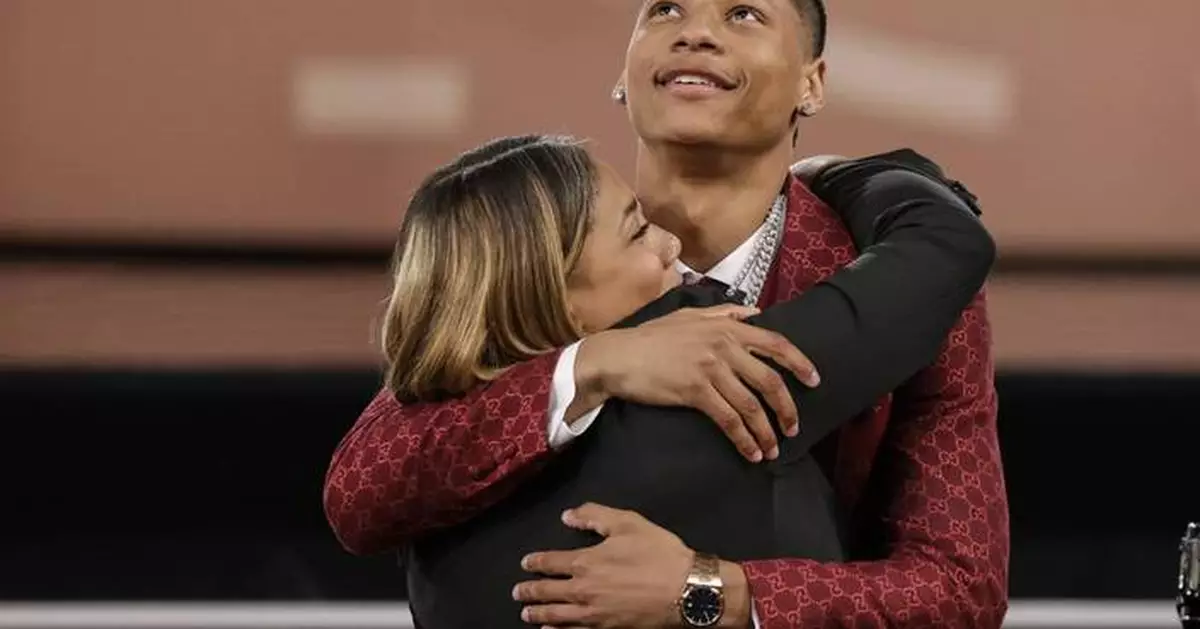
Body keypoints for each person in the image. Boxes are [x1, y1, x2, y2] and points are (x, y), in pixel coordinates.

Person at [326, 0, 1010, 626]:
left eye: (743, 13)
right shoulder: (535, 245)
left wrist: (713, 590)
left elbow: (960, 586)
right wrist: (590, 366)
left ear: (812, 82)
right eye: (665, 8)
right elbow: (367, 486)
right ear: (625, 71)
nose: (696, 30)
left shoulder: (906, 282)